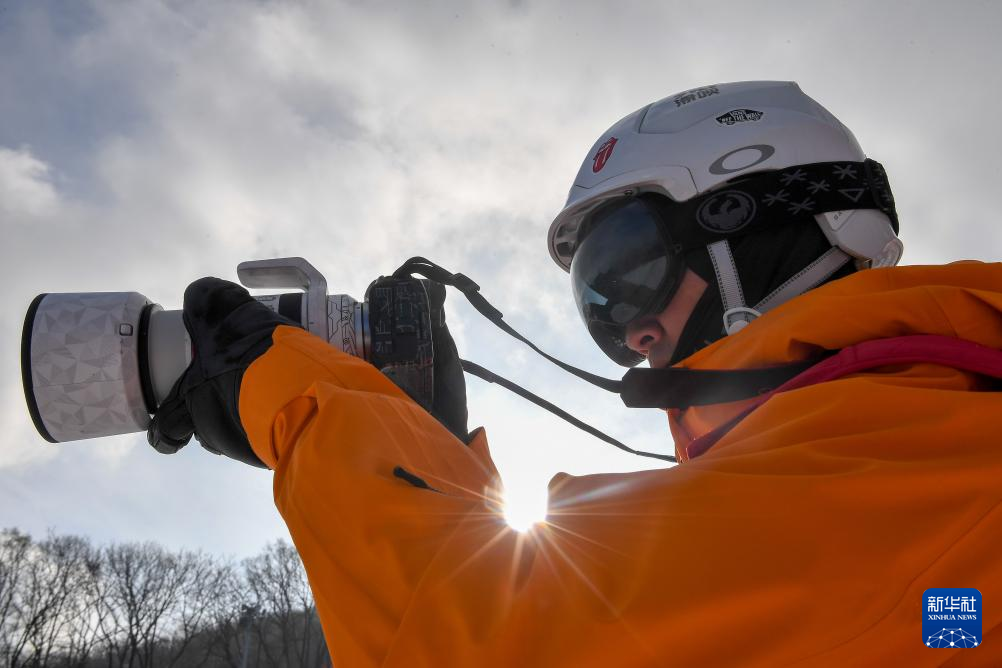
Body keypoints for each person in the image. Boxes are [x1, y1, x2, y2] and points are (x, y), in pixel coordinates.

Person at [149, 81, 1002, 665]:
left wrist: (286, 389)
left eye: (627, 269)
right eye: (595, 302)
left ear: (754, 221)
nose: (629, 331)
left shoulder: (925, 466)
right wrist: (430, 465)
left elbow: (487, 644)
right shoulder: (918, 430)